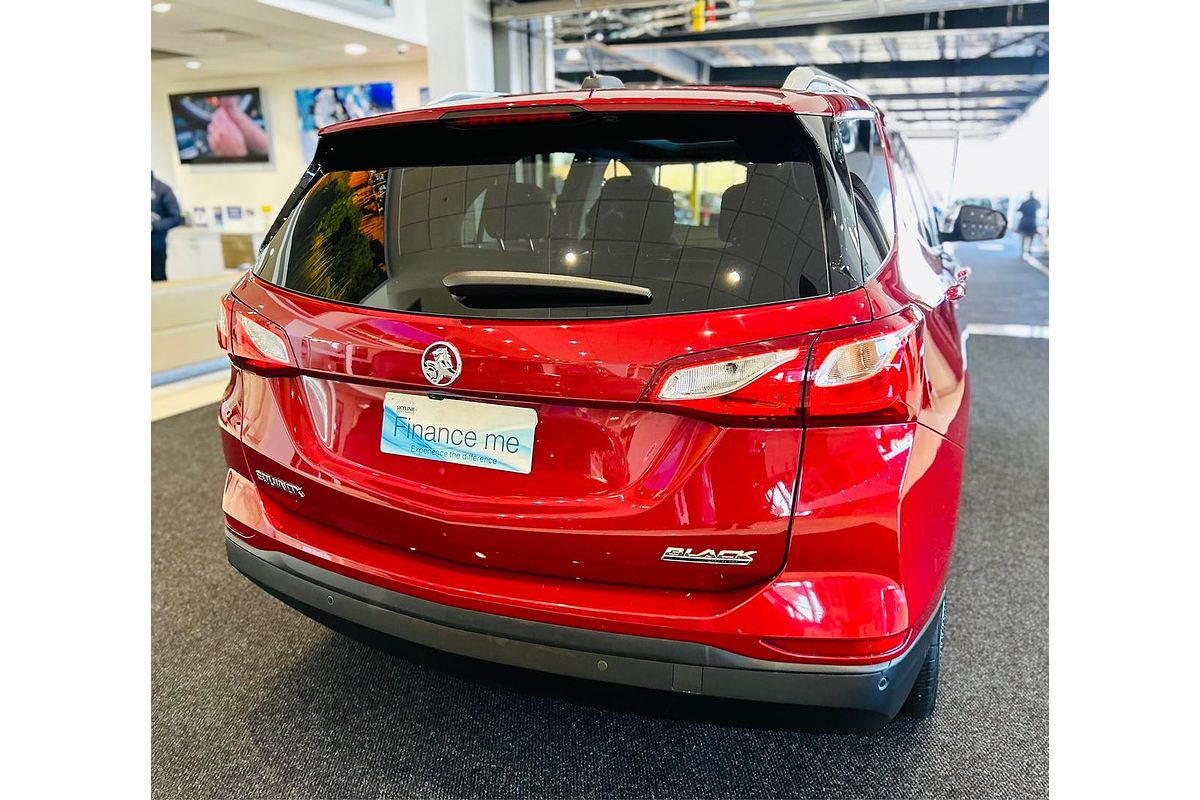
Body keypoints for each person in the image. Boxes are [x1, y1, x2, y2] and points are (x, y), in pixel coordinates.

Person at [151, 172, 183, 281]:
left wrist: (153, 226)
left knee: (158, 279)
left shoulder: (162, 189)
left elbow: (176, 218)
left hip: (156, 247)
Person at [1016, 191, 1041, 256]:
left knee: (1023, 237)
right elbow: (1039, 207)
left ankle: (1023, 251)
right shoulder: (1036, 202)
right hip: (1032, 222)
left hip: (1025, 221)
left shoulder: (1025, 202)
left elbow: (1019, 210)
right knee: (1031, 236)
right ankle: (1028, 250)